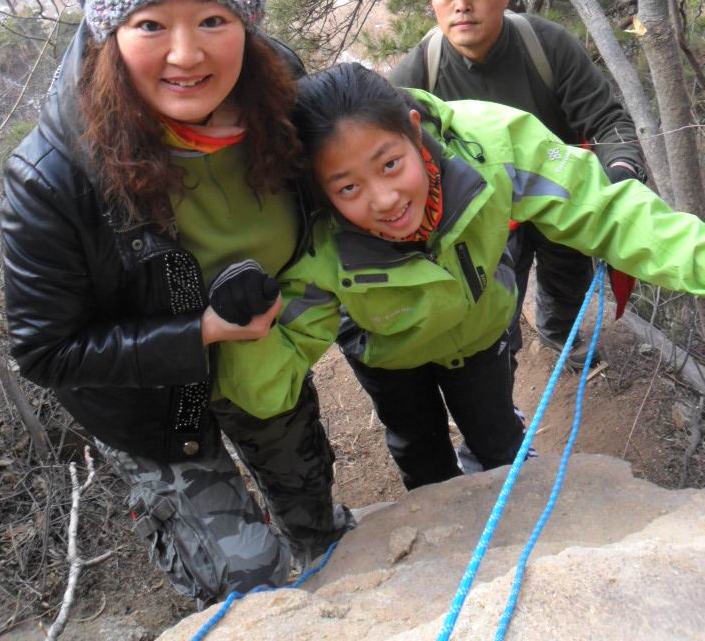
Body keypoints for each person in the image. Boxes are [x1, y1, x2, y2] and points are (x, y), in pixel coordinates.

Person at [1, 0, 351, 608]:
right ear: (109, 32)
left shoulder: (282, 105)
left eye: (213, 20)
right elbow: (47, 351)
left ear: (247, 25)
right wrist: (202, 332)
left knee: (324, 532)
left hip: (264, 361)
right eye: (151, 23)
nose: (186, 55)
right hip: (153, 404)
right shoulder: (56, 174)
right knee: (245, 582)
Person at [213, 63, 705, 492]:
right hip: (390, 356)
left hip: (481, 329)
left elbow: (603, 210)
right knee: (421, 456)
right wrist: (243, 329)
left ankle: (504, 481)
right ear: (320, 190)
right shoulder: (317, 242)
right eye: (348, 187)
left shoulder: (493, 147)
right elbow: (271, 378)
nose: (384, 199)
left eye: (389, 164)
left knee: (497, 437)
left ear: (413, 130)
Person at [389, 0, 647, 369]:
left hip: (558, 190)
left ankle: (558, 332)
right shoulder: (418, 73)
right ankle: (498, 354)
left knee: (568, 272)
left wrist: (621, 170)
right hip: (481, 209)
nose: (462, 4)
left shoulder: (546, 45)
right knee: (490, 292)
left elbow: (606, 120)